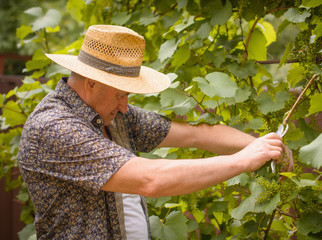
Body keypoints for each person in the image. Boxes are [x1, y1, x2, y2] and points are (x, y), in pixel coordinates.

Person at [18, 25, 287, 239]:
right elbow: (150, 181)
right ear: (91, 83)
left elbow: (195, 135)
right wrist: (243, 160)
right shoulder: (54, 127)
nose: (125, 105)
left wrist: (265, 145)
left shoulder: (111, 113)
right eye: (120, 94)